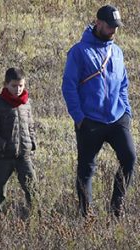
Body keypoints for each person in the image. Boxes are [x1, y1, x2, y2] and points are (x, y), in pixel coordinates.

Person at [62, 5, 136, 218]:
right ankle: (86, 214)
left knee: (129, 158)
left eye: (116, 26)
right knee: (86, 169)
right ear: (98, 23)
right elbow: (69, 86)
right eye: (110, 26)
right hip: (90, 120)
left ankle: (117, 207)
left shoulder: (118, 51)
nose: (114, 30)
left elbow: (123, 84)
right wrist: (79, 117)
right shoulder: (79, 52)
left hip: (117, 117)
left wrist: (127, 113)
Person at [0, 67, 36, 214]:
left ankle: (34, 217)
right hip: (3, 157)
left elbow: (30, 125)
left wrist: (32, 143)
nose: (18, 89)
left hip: (23, 156)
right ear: (5, 84)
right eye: (14, 85)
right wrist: (3, 145)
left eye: (21, 85)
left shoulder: (26, 103)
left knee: (32, 188)